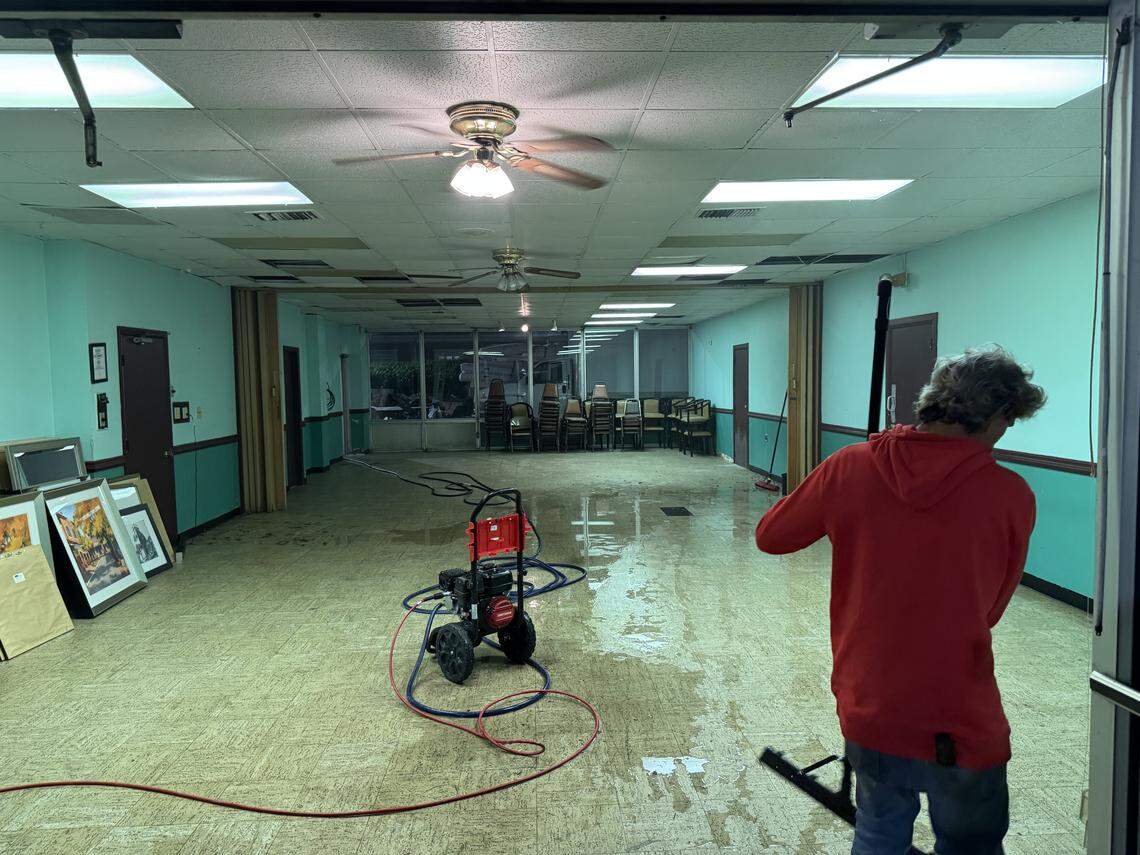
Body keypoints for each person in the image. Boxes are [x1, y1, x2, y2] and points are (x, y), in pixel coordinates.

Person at [755, 346, 1046, 855]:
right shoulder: (1010, 493)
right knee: (969, 845)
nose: (1005, 434)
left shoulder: (851, 465)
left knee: (878, 833)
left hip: (872, 702)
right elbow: (991, 610)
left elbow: (771, 536)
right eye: (1009, 422)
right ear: (996, 415)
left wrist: (841, 492)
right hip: (959, 715)